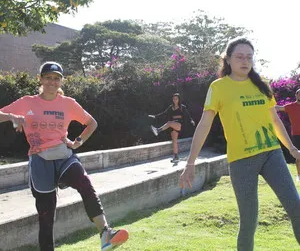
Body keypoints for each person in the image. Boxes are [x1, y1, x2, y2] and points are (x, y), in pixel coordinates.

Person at [179, 37, 300, 251]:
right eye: (239, 56)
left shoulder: (261, 83)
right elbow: (204, 124)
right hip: (241, 160)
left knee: (296, 207)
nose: (245, 61)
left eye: (249, 57)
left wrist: (291, 148)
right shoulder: (219, 87)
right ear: (228, 59)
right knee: (249, 221)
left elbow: (274, 120)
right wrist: (190, 163)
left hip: (272, 153)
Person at [0, 61, 128, 251]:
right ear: (41, 79)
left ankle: (105, 233)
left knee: (85, 183)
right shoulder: (27, 102)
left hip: (63, 155)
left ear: (61, 81)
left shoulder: (68, 104)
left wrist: (78, 142)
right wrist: (12, 117)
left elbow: (91, 123)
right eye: (48, 78)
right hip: (40, 160)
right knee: (46, 215)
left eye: (56, 78)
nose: (52, 82)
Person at [149, 93, 195, 163]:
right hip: (172, 125)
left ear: (179, 99)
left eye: (176, 99)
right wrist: (155, 116)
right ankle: (176, 157)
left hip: (179, 124)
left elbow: (188, 115)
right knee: (174, 142)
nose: (174, 100)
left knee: (169, 123)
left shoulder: (182, 107)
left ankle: (158, 130)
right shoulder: (171, 107)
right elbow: (164, 113)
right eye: (173, 99)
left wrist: (191, 120)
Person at [276, 88, 300, 180]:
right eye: (299, 94)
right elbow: (277, 108)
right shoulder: (290, 106)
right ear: (296, 95)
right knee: (298, 157)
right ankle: (299, 175)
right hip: (296, 135)